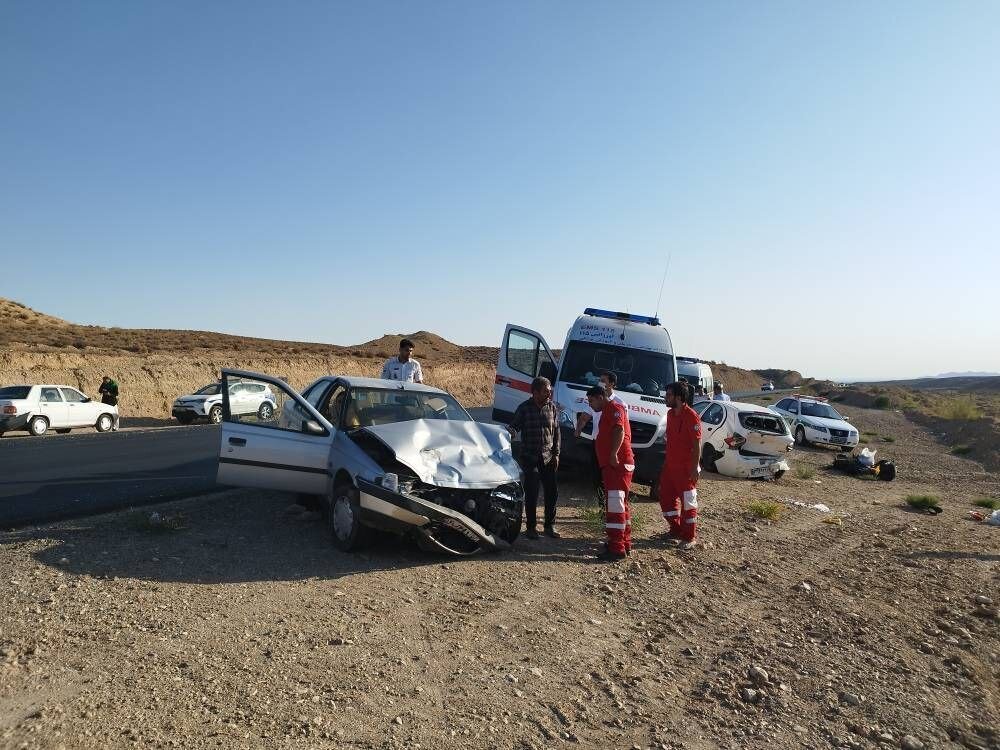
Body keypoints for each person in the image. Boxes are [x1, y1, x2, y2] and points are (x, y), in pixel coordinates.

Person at [508, 377, 560, 539]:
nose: (549, 393)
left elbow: (557, 432)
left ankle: (549, 526)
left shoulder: (552, 407)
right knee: (531, 493)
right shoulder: (524, 408)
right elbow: (514, 427)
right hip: (530, 458)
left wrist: (556, 454)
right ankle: (531, 528)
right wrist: (510, 432)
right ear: (535, 392)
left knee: (552, 493)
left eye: (550, 390)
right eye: (546, 391)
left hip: (548, 457)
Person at [586, 384, 634, 561]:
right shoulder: (607, 411)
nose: (590, 405)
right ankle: (623, 542)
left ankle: (616, 548)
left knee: (614, 505)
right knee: (621, 505)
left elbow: (619, 430)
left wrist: (613, 453)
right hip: (613, 465)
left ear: (600, 397)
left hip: (617, 465)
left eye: (591, 401)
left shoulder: (614, 408)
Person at [657, 381, 702, 549]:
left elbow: (697, 444)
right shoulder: (669, 414)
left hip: (685, 468)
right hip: (670, 466)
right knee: (665, 498)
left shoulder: (691, 416)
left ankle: (689, 537)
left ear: (679, 397)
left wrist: (693, 468)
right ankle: (676, 529)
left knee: (688, 502)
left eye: (668, 395)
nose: (665, 398)